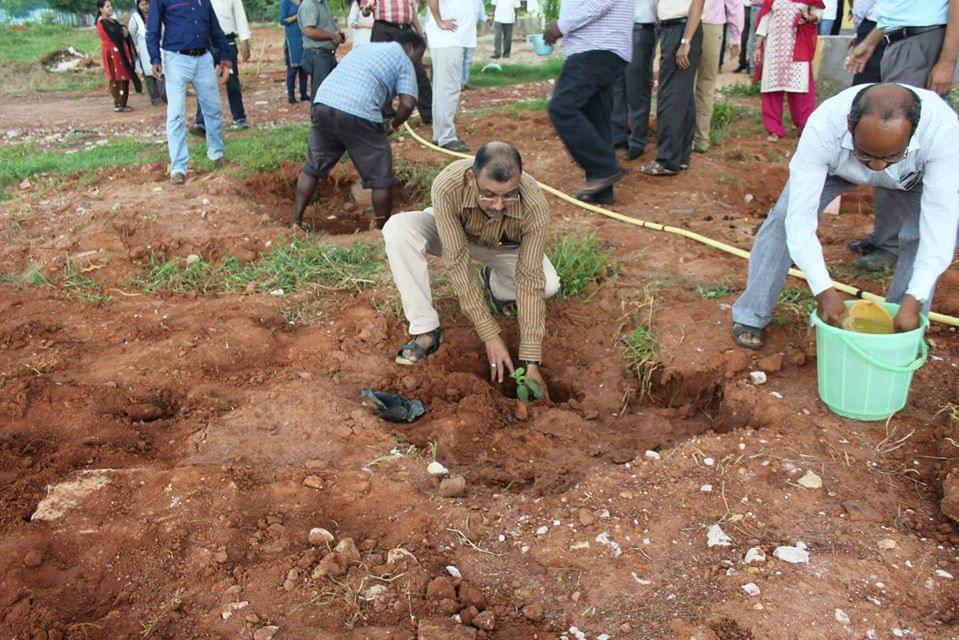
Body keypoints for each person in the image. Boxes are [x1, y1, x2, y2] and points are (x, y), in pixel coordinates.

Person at [730, 83, 959, 349]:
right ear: (850, 127)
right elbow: (799, 220)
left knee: (921, 235)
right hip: (838, 167)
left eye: (889, 156)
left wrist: (916, 296)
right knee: (782, 220)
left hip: (910, 176)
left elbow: (940, 225)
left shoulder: (942, 132)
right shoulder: (823, 128)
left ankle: (901, 327)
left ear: (913, 136)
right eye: (867, 154)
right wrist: (823, 290)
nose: (877, 166)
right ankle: (751, 314)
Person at [382, 142, 560, 401]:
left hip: (502, 246)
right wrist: (490, 335)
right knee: (398, 229)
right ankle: (425, 329)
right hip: (453, 235)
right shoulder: (448, 185)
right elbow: (457, 262)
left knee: (548, 285)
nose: (499, 205)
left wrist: (531, 362)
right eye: (489, 194)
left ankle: (495, 284)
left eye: (508, 195)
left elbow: (530, 276)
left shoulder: (535, 205)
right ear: (471, 177)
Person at [843, 0, 958, 271]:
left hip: (922, 42)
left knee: (892, 145)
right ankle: (888, 236)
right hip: (900, 41)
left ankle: (892, 244)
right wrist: (873, 40)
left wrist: (946, 62)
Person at [293, 31, 425, 230]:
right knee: (381, 175)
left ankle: (296, 221)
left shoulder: (365, 47)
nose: (417, 63)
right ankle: (382, 231)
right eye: (419, 57)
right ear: (410, 48)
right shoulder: (403, 59)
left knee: (313, 167)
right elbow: (407, 104)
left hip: (323, 103)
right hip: (357, 111)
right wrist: (392, 124)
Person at [544, 0, 634, 203]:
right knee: (596, 117)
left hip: (595, 49)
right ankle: (602, 192)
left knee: (562, 108)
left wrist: (561, 25)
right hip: (602, 48)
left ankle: (604, 169)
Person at [147, 0, 232, 184]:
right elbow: (152, 30)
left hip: (203, 58)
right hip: (176, 59)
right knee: (176, 114)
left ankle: (216, 154)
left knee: (213, 109)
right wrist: (155, 58)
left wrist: (225, 55)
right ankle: (178, 167)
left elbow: (214, 27)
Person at [636, 0, 707, 176]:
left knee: (671, 96)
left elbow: (697, 4)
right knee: (683, 96)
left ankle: (667, 160)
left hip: (682, 30)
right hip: (676, 30)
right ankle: (680, 157)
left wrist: (685, 41)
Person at [753, 0, 824, 142]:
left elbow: (818, 12)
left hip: (798, 45)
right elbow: (765, 18)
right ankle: (774, 129)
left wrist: (809, 18)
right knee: (772, 89)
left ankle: (804, 126)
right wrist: (758, 46)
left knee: (800, 89)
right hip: (775, 47)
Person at [361, 0, 433, 124]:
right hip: (383, 29)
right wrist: (368, 9)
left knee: (418, 72)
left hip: (405, 29)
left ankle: (429, 114)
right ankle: (387, 116)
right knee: (382, 72)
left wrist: (420, 33)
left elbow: (412, 11)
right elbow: (364, 11)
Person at [190, 0, 252, 136]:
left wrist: (245, 40)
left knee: (232, 80)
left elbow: (240, 16)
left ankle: (239, 118)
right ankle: (201, 122)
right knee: (203, 82)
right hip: (205, 42)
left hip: (227, 41)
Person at [426, 0, 479, 152]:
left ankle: (440, 134)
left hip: (451, 39)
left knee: (442, 89)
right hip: (448, 39)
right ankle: (446, 137)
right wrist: (440, 21)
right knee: (449, 89)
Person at [693, 0, 744, 152]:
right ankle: (701, 139)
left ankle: (685, 138)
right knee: (706, 84)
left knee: (686, 84)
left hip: (685, 23)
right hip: (710, 25)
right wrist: (735, 37)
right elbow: (734, 5)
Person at [611, 0, 658, 161]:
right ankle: (618, 135)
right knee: (617, 87)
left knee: (636, 88)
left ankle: (637, 141)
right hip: (617, 30)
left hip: (640, 29)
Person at [96, 0, 141, 112]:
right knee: (116, 76)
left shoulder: (112, 21)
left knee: (123, 74)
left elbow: (121, 31)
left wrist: (123, 31)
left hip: (119, 52)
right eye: (107, 7)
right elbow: (116, 33)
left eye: (110, 6)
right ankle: (119, 103)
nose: (110, 8)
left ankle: (123, 103)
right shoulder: (103, 23)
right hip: (112, 53)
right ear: (101, 9)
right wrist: (122, 31)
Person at [299, 0, 342, 100]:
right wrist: (332, 36)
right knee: (320, 93)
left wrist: (337, 35)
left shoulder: (322, 3)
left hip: (326, 54)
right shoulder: (309, 4)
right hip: (318, 55)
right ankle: (316, 115)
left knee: (329, 91)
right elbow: (309, 31)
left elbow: (324, 26)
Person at [128, 0, 166, 105]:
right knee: (148, 74)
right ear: (138, 6)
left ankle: (164, 96)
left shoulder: (156, 14)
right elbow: (132, 33)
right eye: (142, 5)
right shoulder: (135, 18)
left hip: (158, 46)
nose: (145, 7)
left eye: (147, 4)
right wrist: (138, 45)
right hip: (143, 49)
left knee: (161, 71)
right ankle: (154, 98)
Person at [280, 0, 310, 104]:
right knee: (292, 70)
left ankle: (304, 93)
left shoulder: (304, 2)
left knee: (304, 68)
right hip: (292, 39)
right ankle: (291, 95)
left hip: (304, 37)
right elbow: (282, 20)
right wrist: (296, 17)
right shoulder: (286, 2)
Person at [849, 0, 883, 85]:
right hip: (903, 28)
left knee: (865, 81)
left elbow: (860, 9)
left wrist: (858, 31)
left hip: (873, 24)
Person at [461, 0, 488, 90]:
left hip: (470, 35)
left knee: (468, 60)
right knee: (457, 60)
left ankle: (464, 82)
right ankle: (457, 83)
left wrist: (489, 20)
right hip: (458, 35)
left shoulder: (478, 1)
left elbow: (482, 16)